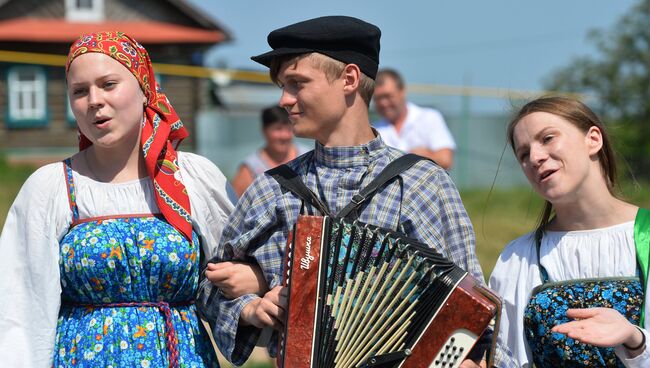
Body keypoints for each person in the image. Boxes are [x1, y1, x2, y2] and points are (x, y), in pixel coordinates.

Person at [197, 16, 498, 368]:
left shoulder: (420, 183)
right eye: (282, 86)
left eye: (297, 84)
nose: (284, 100)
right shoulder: (273, 189)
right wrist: (249, 308)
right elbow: (207, 289)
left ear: (349, 80)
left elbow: (476, 308)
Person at [0, 31, 239, 367]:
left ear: (144, 89)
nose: (93, 100)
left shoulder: (193, 178)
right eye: (79, 91)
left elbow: (233, 278)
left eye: (108, 84)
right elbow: (21, 311)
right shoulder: (52, 188)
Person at [488, 96, 650, 367]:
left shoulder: (644, 237)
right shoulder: (517, 258)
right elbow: (507, 358)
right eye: (524, 154)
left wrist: (635, 340)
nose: (536, 158)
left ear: (593, 140)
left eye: (548, 138)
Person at [373, 68, 456, 169]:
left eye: (388, 96)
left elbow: (446, 160)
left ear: (402, 91)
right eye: (378, 98)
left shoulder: (429, 117)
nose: (383, 103)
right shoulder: (374, 130)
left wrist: (415, 156)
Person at [231, 105, 309, 197]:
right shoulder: (250, 168)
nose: (284, 136)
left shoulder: (307, 157)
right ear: (264, 130)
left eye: (289, 129)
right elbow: (234, 205)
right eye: (278, 129)